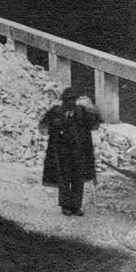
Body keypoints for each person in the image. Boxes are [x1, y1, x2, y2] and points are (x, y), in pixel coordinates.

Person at [40, 86, 100, 216]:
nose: (71, 103)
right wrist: (54, 126)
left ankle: (76, 206)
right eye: (68, 100)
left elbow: (96, 123)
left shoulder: (83, 112)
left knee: (78, 180)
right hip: (62, 152)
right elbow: (43, 126)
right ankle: (65, 206)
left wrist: (91, 108)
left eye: (73, 100)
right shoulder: (56, 112)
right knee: (64, 179)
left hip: (79, 152)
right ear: (64, 101)